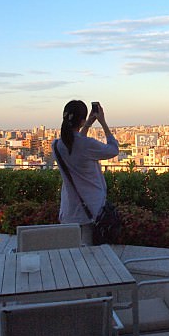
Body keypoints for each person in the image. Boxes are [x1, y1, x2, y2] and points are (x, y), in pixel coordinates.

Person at [54, 99, 119, 245]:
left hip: (69, 209)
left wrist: (88, 123)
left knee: (70, 255)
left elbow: (76, 143)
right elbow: (113, 150)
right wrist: (103, 122)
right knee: (89, 255)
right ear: (81, 121)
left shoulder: (56, 145)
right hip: (90, 209)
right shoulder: (87, 145)